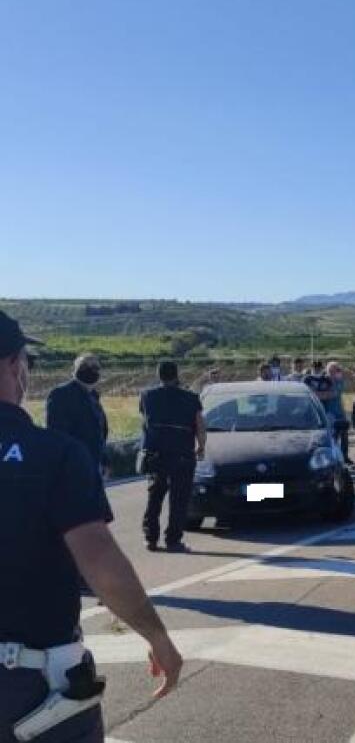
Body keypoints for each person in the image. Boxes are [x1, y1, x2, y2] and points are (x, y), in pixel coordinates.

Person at [0, 311, 183, 742]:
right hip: (32, 689)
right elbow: (99, 560)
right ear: (12, 365)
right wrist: (157, 636)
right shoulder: (54, 456)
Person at [139, 361, 205, 553]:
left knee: (155, 495)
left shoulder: (147, 396)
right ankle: (173, 540)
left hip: (156, 452)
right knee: (179, 498)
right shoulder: (191, 398)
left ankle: (150, 538)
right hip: (182, 453)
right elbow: (200, 425)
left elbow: (145, 422)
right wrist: (201, 446)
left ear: (159, 375)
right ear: (177, 375)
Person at [45, 354, 114, 522]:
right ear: (74, 370)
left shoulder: (94, 396)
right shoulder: (61, 394)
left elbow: (99, 432)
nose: (91, 370)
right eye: (85, 366)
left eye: (95, 367)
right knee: (83, 519)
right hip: (73, 467)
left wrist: (104, 459)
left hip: (93, 466)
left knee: (96, 518)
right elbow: (56, 434)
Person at [325, 361, 350, 461]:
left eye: (336, 370)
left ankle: (345, 456)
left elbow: (336, 393)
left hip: (340, 411)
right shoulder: (324, 381)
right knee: (333, 436)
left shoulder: (339, 382)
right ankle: (333, 456)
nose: (334, 373)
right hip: (329, 413)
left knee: (344, 434)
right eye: (332, 370)